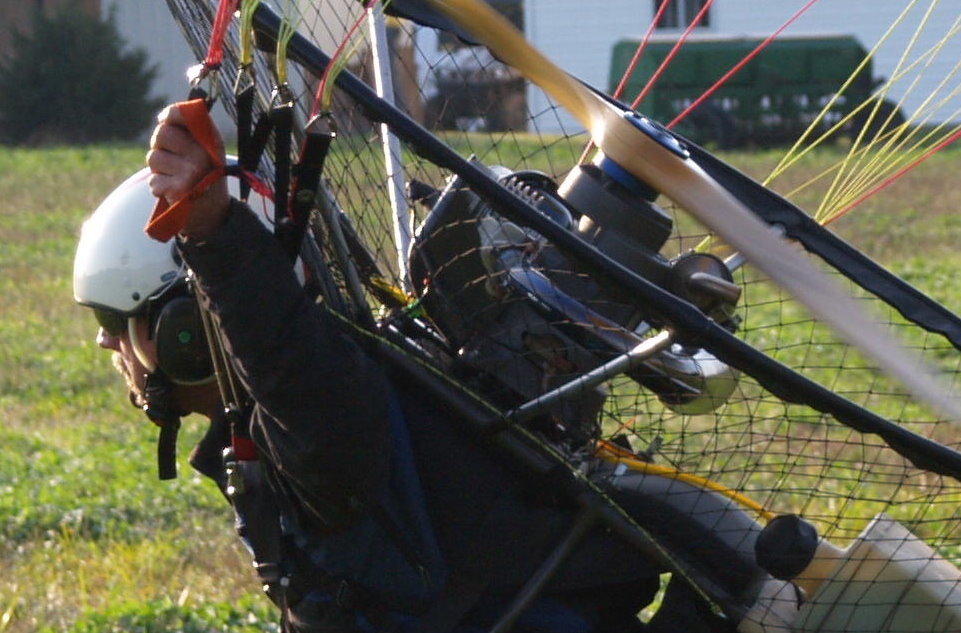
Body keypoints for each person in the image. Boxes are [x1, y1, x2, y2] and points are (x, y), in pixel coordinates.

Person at [72, 102, 691, 633]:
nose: (106, 343)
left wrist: (213, 237)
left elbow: (290, 369)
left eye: (114, 320)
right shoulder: (275, 422)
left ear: (185, 330)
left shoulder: (315, 428)